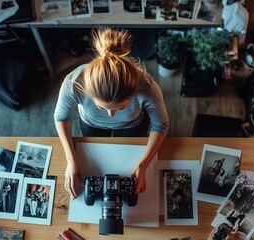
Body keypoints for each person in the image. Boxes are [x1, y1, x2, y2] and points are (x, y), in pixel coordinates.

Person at [54, 27, 169, 199]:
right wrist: (72, 160)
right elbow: (60, 117)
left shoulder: (147, 88)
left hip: (132, 125)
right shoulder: (74, 82)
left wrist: (143, 165)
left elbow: (161, 125)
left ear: (133, 93)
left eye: (120, 107)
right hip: (91, 124)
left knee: (128, 161)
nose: (111, 116)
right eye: (102, 107)